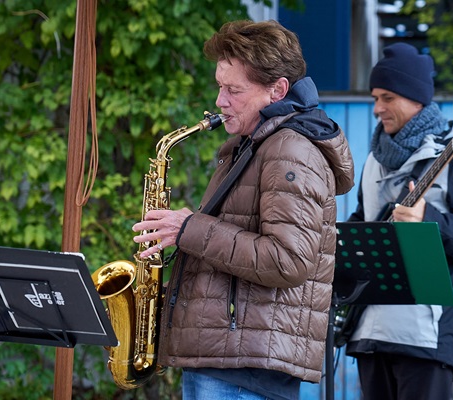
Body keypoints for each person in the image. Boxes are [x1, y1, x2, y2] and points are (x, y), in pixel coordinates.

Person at [132, 20, 355, 400]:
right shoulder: (253, 144)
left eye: (234, 90)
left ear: (277, 90)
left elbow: (287, 260)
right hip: (230, 360)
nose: (220, 101)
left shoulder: (291, 150)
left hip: (243, 371)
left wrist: (190, 228)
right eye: (221, 87)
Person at [345, 42, 453, 400]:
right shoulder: (373, 160)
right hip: (369, 332)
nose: (377, 108)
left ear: (416, 99)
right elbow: (365, 223)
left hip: (426, 338)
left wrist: (429, 219)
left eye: (387, 97)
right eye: (374, 97)